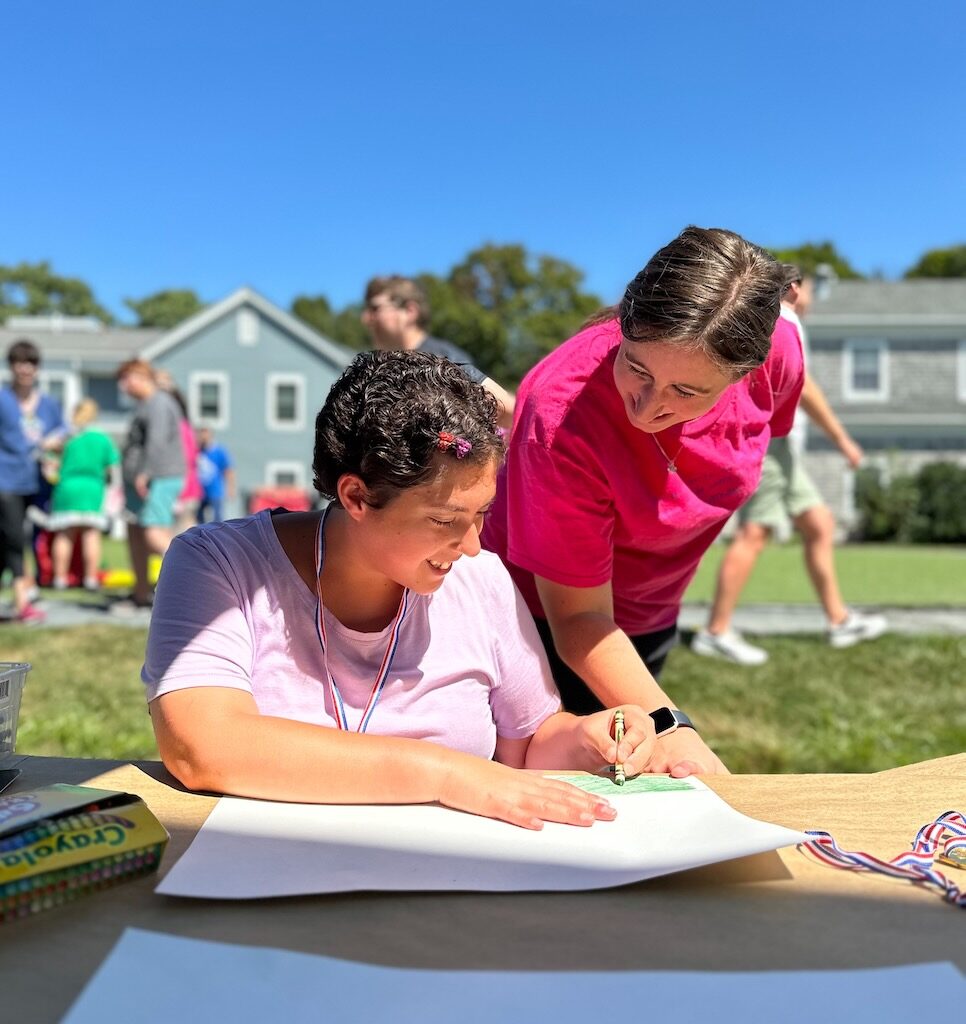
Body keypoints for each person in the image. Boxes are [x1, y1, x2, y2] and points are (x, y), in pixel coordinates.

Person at [142, 351, 654, 829]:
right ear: (357, 496)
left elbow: (528, 747)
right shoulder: (218, 564)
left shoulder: (483, 579)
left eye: (482, 515)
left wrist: (587, 739)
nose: (472, 545)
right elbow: (201, 746)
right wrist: (446, 775)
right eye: (445, 519)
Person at [482, 226, 805, 777]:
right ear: (623, 325)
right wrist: (670, 725)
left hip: (651, 614)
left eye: (687, 392)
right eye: (636, 367)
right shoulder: (560, 417)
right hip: (538, 621)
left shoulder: (780, 360)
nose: (647, 408)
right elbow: (580, 616)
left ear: (746, 374)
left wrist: (660, 720)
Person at [691, 266, 887, 664]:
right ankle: (716, 631)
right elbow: (806, 388)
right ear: (795, 290)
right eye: (812, 288)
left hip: (780, 448)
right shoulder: (784, 320)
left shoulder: (764, 321)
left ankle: (839, 620)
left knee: (818, 523)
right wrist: (843, 440)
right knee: (756, 532)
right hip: (769, 443)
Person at [361, 275, 516, 429]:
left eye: (375, 309)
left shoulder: (441, 358)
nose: (366, 319)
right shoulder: (380, 368)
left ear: (410, 311)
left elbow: (508, 411)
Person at [0, 339, 66, 622]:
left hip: (36, 482)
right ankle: (21, 602)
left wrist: (55, 443)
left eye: (30, 363)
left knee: (8, 540)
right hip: (5, 479)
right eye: (19, 362)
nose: (25, 368)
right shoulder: (2, 399)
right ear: (11, 366)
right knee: (16, 538)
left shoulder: (48, 403)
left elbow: (63, 431)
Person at [116, 359, 186, 608]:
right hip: (140, 481)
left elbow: (156, 442)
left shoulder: (159, 403)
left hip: (158, 476)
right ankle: (140, 593)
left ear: (139, 375)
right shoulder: (145, 405)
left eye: (125, 379)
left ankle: (199, 575)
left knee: (153, 533)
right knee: (135, 532)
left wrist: (145, 473)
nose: (122, 386)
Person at [46, 398, 121, 590]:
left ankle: (60, 578)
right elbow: (113, 466)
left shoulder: (67, 437)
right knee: (91, 535)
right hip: (92, 488)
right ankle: (90, 578)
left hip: (67, 486)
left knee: (64, 535)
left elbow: (50, 462)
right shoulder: (102, 438)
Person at [154, 370, 203, 534]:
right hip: (186, 487)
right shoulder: (186, 427)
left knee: (175, 534)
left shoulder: (179, 428)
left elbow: (188, 459)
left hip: (180, 488)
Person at [195, 426, 235, 523]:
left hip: (215, 491)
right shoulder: (198, 451)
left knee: (217, 519)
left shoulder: (219, 451)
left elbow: (228, 470)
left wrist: (230, 488)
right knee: (199, 518)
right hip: (200, 492)